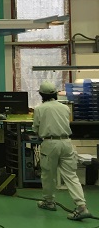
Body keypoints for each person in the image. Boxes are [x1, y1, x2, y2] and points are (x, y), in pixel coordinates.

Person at [33, 80, 92, 220]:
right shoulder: (65, 108)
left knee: (48, 175)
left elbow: (36, 128)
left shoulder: (39, 109)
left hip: (50, 143)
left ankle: (49, 202)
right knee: (71, 176)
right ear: (55, 94)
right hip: (66, 142)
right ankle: (82, 206)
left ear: (41, 95)